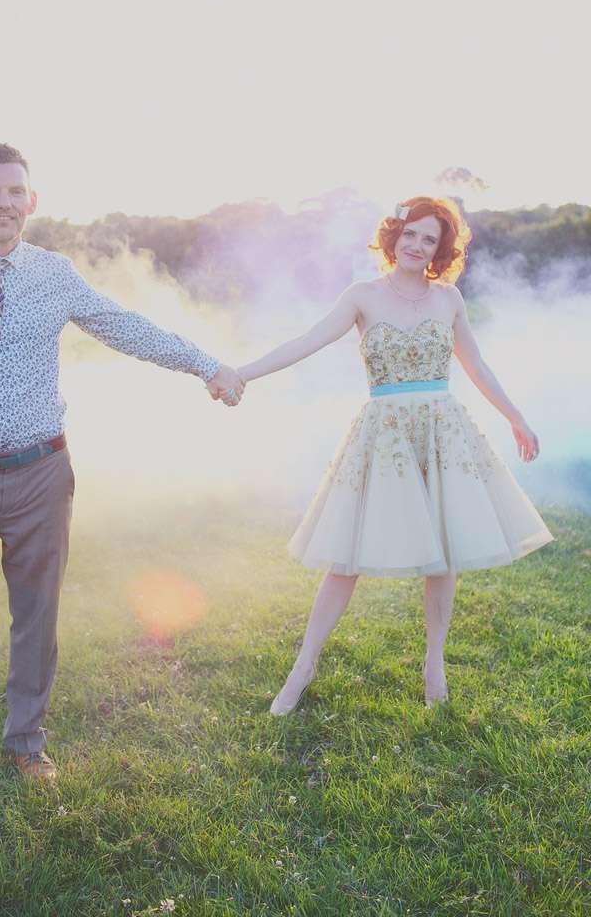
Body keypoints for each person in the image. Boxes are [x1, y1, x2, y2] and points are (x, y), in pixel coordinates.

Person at [0, 141, 243, 821]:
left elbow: (125, 328)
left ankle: (26, 745)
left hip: (42, 474)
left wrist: (206, 364)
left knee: (37, 617)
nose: (3, 202)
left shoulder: (55, 275)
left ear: (31, 201)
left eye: (15, 192)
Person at [234, 197, 553, 715]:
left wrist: (515, 417)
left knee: (444, 549)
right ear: (394, 236)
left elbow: (475, 365)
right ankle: (304, 665)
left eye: (429, 239)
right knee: (346, 556)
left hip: (442, 431)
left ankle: (434, 662)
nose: (417, 245)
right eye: (410, 234)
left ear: (440, 249)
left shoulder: (449, 298)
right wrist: (244, 373)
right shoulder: (362, 296)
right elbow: (308, 341)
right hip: (384, 436)